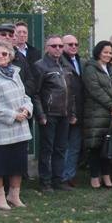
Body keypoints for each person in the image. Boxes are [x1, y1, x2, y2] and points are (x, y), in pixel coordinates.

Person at [0, 23, 36, 200]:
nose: (1, 56)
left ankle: (14, 195)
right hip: (0, 125)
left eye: (4, 54)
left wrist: (26, 109)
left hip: (19, 124)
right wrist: (13, 115)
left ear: (11, 56)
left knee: (17, 162)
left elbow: (26, 93)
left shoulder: (16, 72)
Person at [83, 41, 112, 189]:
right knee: (95, 146)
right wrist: (111, 105)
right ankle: (95, 176)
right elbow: (95, 90)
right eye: (105, 52)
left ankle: (106, 175)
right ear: (98, 52)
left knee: (108, 145)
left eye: (110, 53)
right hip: (96, 113)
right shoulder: (90, 68)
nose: (108, 55)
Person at [33, 35, 73, 192]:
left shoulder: (66, 65)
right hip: (49, 114)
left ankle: (58, 180)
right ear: (47, 48)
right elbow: (35, 93)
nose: (58, 49)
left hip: (65, 114)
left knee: (61, 148)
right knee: (47, 149)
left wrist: (72, 112)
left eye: (60, 46)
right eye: (54, 46)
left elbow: (71, 91)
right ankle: (45, 182)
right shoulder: (40, 66)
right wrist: (40, 114)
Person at [60, 34, 85, 187]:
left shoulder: (82, 62)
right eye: (70, 44)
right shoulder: (59, 62)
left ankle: (70, 175)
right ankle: (61, 176)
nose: (74, 46)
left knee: (75, 146)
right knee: (63, 146)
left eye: (76, 44)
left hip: (80, 110)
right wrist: (71, 113)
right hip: (65, 111)